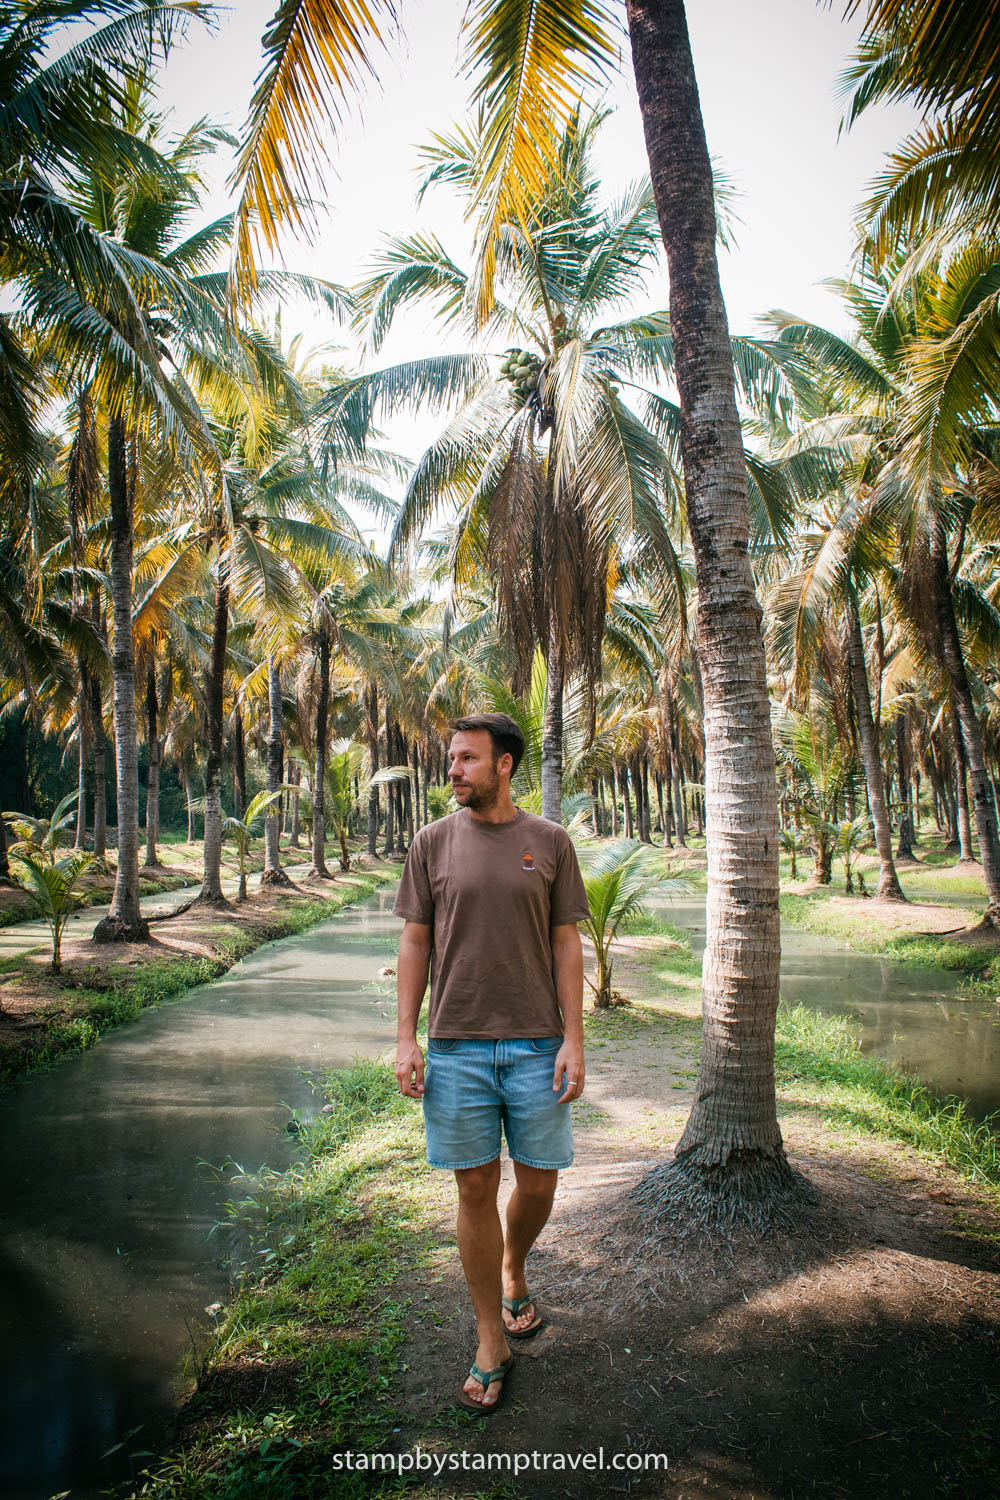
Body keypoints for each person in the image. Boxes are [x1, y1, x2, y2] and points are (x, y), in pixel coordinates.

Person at [393, 712, 589, 1415]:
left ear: (504, 764)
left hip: (537, 1045)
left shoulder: (550, 841)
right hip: (456, 1047)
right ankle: (488, 1337)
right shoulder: (431, 843)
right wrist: (406, 1038)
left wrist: (574, 1038)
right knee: (474, 1188)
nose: (453, 770)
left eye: (467, 759)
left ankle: (513, 1264)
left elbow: (566, 943)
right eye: (452, 758)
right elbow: (415, 943)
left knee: (538, 1181)